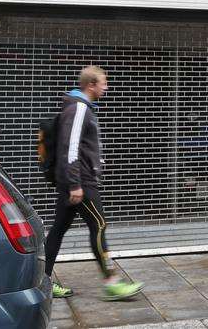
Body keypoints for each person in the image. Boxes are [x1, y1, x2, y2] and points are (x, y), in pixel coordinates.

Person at [44, 66, 143, 301]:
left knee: (58, 230)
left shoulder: (80, 107)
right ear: (91, 85)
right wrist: (75, 183)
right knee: (98, 226)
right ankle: (111, 282)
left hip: (75, 179)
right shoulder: (78, 108)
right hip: (81, 182)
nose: (106, 87)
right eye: (103, 83)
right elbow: (70, 147)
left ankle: (42, 281)